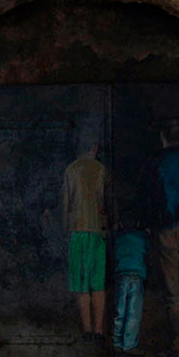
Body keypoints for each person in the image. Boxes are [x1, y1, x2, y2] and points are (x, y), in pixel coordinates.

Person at [150, 119, 179, 357]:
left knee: (173, 289)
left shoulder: (158, 163)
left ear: (163, 137)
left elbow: (151, 195)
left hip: (167, 228)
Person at [61, 128, 108, 340]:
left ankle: (87, 330)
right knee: (98, 283)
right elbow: (106, 202)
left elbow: (65, 205)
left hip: (77, 232)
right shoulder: (101, 169)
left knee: (81, 286)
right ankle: (99, 330)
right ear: (94, 147)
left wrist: (66, 232)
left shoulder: (70, 170)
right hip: (97, 232)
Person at [110, 227, 147, 352]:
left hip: (121, 276)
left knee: (119, 311)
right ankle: (129, 344)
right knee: (133, 313)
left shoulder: (118, 238)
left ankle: (116, 342)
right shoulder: (142, 237)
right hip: (136, 277)